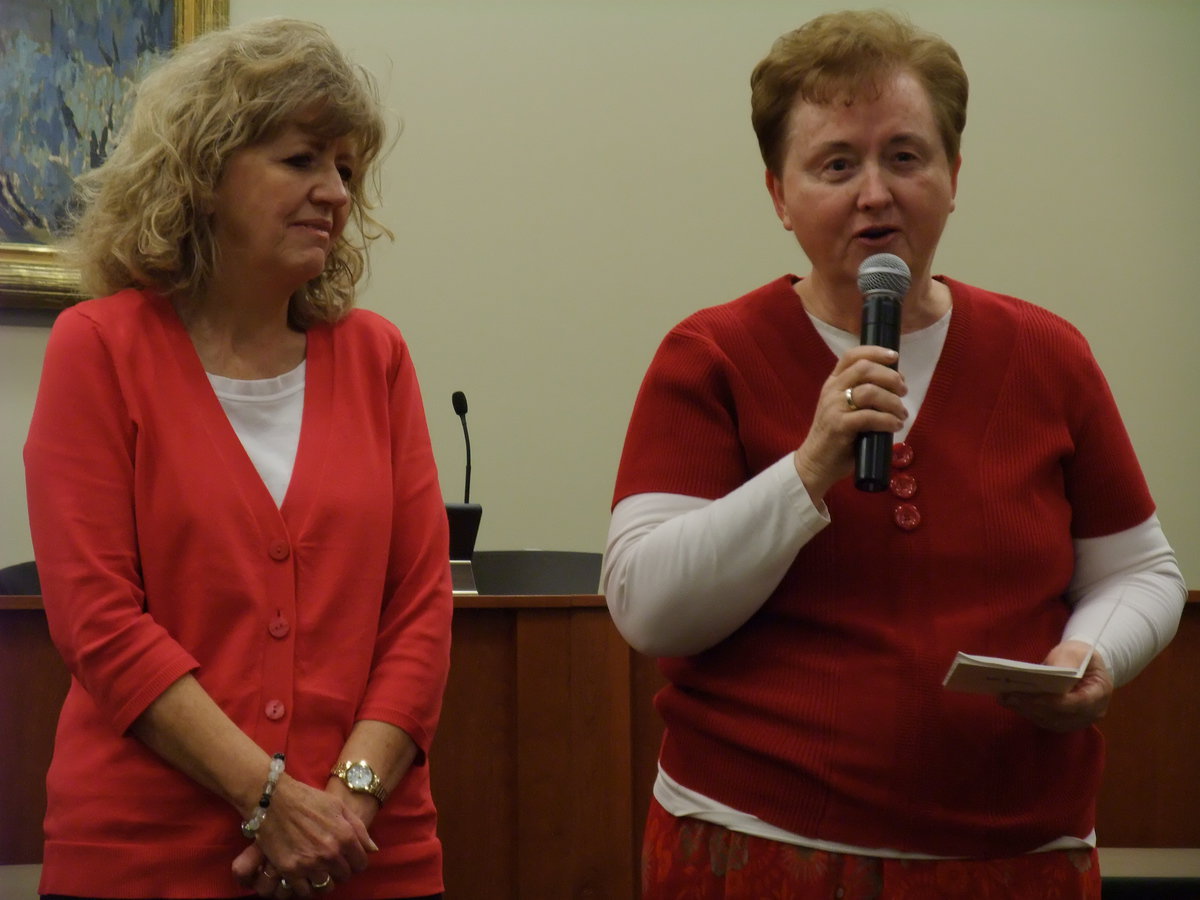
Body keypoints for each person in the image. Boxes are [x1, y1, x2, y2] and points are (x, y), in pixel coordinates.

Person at [602, 10, 1187, 899]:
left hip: (1017, 856)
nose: (875, 192)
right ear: (779, 195)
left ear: (955, 178)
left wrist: (1093, 652)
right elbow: (648, 608)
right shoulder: (710, 357)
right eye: (837, 164)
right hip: (758, 848)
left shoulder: (1048, 355)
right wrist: (808, 471)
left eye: (906, 157)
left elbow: (1141, 571)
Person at [24, 19, 452, 900]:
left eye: (346, 168)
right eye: (301, 160)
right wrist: (270, 801)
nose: (335, 191)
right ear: (204, 175)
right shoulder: (97, 348)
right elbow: (99, 624)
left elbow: (419, 615)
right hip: (148, 858)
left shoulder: (378, 358)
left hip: (366, 858)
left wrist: (345, 806)